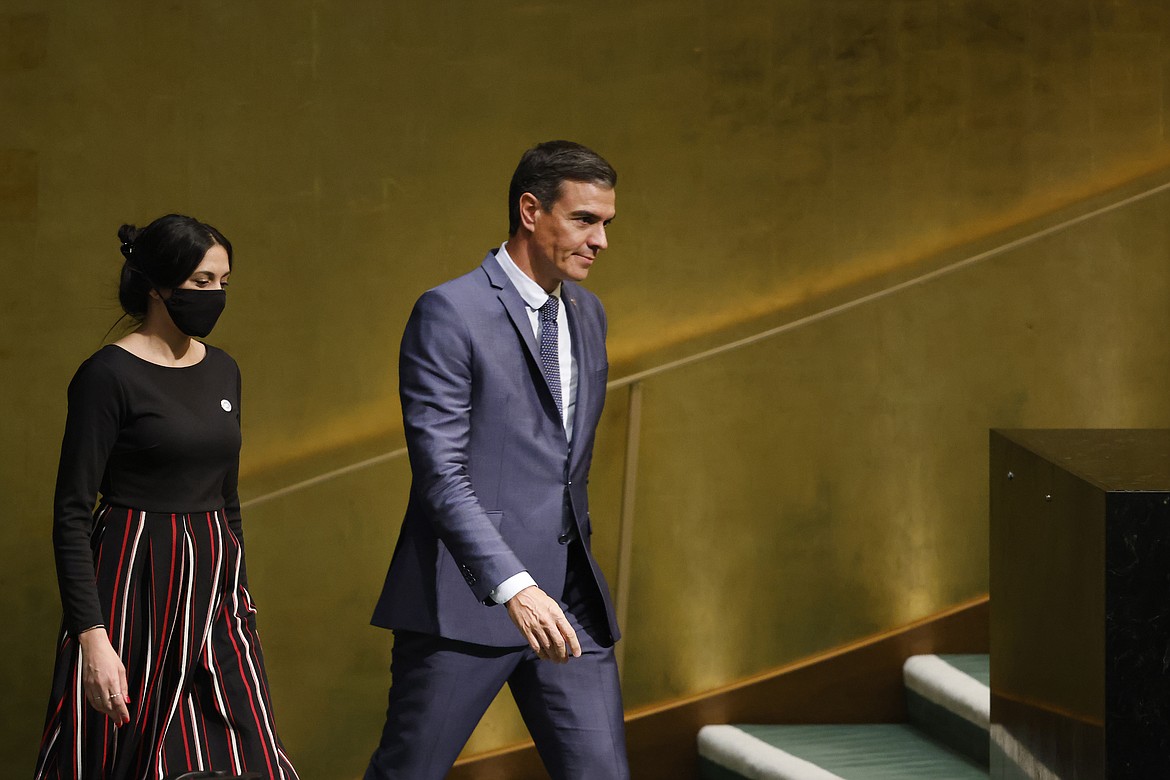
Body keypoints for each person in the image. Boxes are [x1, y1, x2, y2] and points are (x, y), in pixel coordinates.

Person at [365, 140, 629, 779]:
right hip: (465, 601)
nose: (600, 240)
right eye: (584, 220)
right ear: (531, 210)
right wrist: (514, 586)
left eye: (607, 224)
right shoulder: (450, 311)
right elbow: (441, 474)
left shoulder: (587, 313)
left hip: (569, 603)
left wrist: (549, 588)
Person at [34, 215, 299, 780]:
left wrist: (241, 598)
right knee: (118, 752)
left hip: (213, 592)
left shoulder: (224, 369)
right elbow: (72, 513)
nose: (216, 296)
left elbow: (227, 499)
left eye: (224, 283)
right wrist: (93, 641)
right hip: (134, 584)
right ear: (157, 285)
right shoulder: (107, 376)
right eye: (203, 282)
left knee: (247, 750)